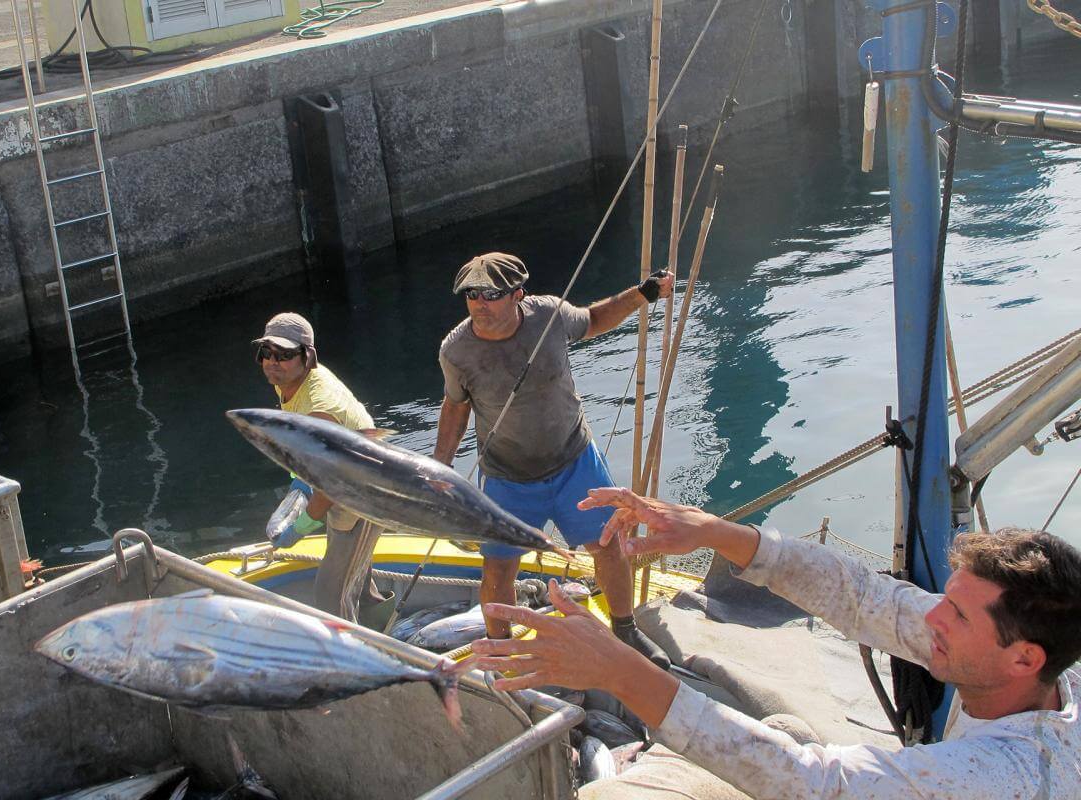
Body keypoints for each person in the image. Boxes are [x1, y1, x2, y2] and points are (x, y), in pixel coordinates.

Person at [471, 487, 1081, 799]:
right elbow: (870, 600)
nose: (932, 620)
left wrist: (622, 671)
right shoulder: (1038, 675)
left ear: (1024, 658)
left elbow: (813, 783)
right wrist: (716, 533)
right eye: (943, 600)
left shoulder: (1000, 776)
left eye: (956, 615)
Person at [433, 252, 674, 667]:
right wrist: (440, 467)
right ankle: (501, 648)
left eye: (490, 294)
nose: (479, 303)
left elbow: (594, 320)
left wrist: (643, 295)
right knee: (498, 568)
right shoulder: (456, 351)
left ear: (517, 294)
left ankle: (626, 630)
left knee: (609, 547)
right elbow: (455, 406)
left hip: (574, 460)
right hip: (508, 478)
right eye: (471, 294)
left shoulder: (549, 315)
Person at [253, 312, 392, 627]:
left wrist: (301, 526)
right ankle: (382, 628)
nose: (273, 362)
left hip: (361, 496)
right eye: (267, 353)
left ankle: (353, 662)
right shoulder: (289, 382)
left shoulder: (321, 407)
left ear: (307, 356)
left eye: (285, 355)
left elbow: (331, 484)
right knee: (358, 579)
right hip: (342, 482)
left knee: (330, 596)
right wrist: (300, 479)